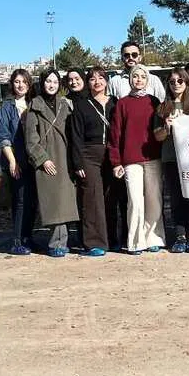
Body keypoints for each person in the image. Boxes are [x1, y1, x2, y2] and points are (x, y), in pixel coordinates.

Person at [109, 65, 167, 254]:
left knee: (154, 200)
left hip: (153, 157)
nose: (139, 80)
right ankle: (135, 242)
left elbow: (161, 129)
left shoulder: (154, 101)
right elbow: (115, 135)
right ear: (130, 79)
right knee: (134, 201)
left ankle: (153, 238)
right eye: (136, 76)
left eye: (143, 77)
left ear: (147, 80)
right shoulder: (122, 104)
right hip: (130, 160)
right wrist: (116, 161)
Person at [25, 69, 81, 256]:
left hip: (65, 158)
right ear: (42, 83)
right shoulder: (35, 106)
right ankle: (56, 243)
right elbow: (31, 139)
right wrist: (43, 159)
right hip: (48, 159)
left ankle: (61, 242)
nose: (52, 85)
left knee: (65, 201)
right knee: (53, 203)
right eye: (48, 81)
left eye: (55, 82)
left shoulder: (65, 105)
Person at [66, 67, 120, 257]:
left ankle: (112, 239)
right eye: (92, 79)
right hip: (89, 155)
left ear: (106, 81)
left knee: (110, 198)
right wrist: (78, 163)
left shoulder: (115, 103)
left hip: (112, 154)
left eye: (100, 78)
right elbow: (76, 136)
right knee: (92, 200)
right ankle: (94, 242)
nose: (96, 81)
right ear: (88, 83)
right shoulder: (81, 105)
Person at [155, 66, 189, 253]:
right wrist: (166, 128)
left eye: (180, 81)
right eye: (172, 81)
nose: (176, 84)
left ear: (186, 82)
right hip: (171, 158)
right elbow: (157, 137)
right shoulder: (162, 107)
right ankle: (180, 236)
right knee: (176, 199)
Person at [0, 69, 38, 255]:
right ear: (12, 84)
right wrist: (12, 161)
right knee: (20, 201)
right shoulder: (5, 107)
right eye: (17, 82)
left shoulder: (34, 104)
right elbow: (3, 136)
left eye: (24, 82)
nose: (20, 85)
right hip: (15, 158)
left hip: (33, 159)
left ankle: (29, 237)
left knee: (32, 201)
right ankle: (17, 240)